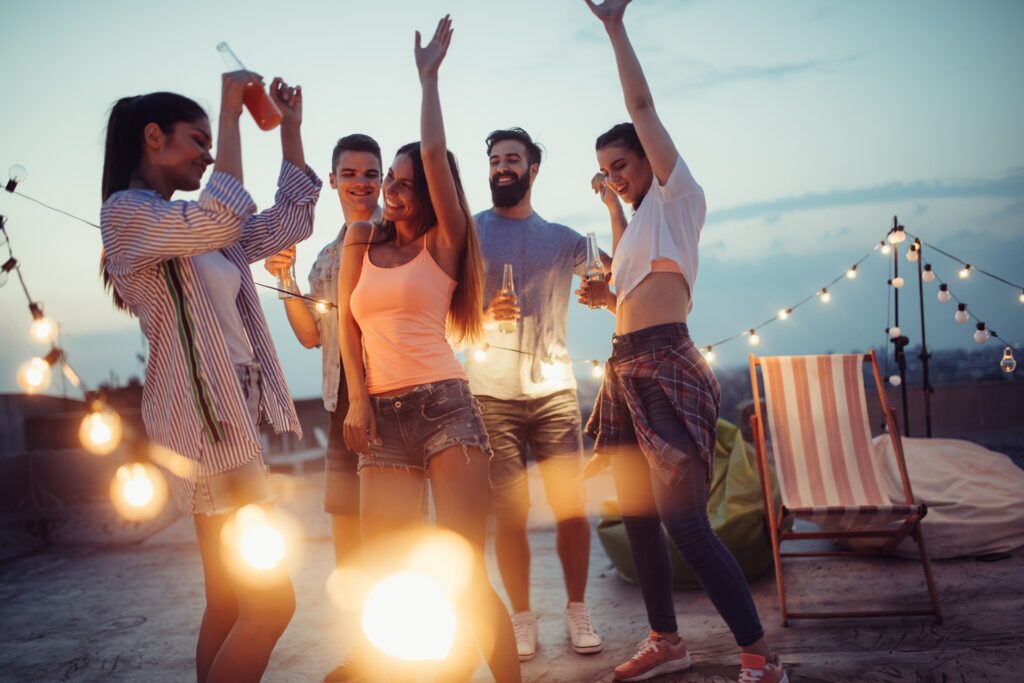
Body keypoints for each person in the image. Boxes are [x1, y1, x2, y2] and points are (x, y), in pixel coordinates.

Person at [579, 1, 788, 682]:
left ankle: (760, 656)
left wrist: (614, 28)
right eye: (607, 168)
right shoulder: (641, 221)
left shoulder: (678, 195)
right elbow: (632, 281)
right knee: (637, 517)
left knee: (687, 525)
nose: (617, 173)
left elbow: (641, 105)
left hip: (667, 365)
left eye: (622, 165)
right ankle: (666, 641)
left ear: (652, 159)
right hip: (624, 370)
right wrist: (610, 258)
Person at [99, 71, 320, 683]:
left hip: (233, 408)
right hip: (204, 421)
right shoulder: (128, 216)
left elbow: (287, 224)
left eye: (210, 139)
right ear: (152, 139)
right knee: (272, 602)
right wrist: (230, 110)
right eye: (198, 140)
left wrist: (291, 129)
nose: (209, 154)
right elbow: (224, 215)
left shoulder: (193, 225)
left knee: (230, 598)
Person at [337, 17, 521, 682]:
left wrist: (429, 78)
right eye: (391, 176)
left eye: (405, 179)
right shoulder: (363, 240)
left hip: (446, 411)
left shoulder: (444, 242)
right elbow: (346, 327)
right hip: (381, 418)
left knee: (464, 573)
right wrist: (358, 400)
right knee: (387, 573)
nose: (393, 186)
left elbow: (439, 155)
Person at [467, 127, 605, 661]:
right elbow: (442, 304)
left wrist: (613, 213)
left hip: (554, 393)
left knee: (570, 509)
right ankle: (522, 619)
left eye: (513, 159)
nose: (502, 166)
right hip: (490, 395)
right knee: (511, 514)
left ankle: (577, 610)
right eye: (495, 159)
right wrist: (481, 317)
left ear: (533, 169)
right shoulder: (470, 233)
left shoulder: (562, 238)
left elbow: (614, 270)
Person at [262, 133, 382, 683]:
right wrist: (284, 279)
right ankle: (364, 652)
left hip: (392, 403)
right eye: (351, 173)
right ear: (333, 181)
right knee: (348, 539)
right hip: (339, 408)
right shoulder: (328, 256)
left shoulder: (398, 238)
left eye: (371, 173)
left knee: (398, 532)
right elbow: (312, 336)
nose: (362, 183)